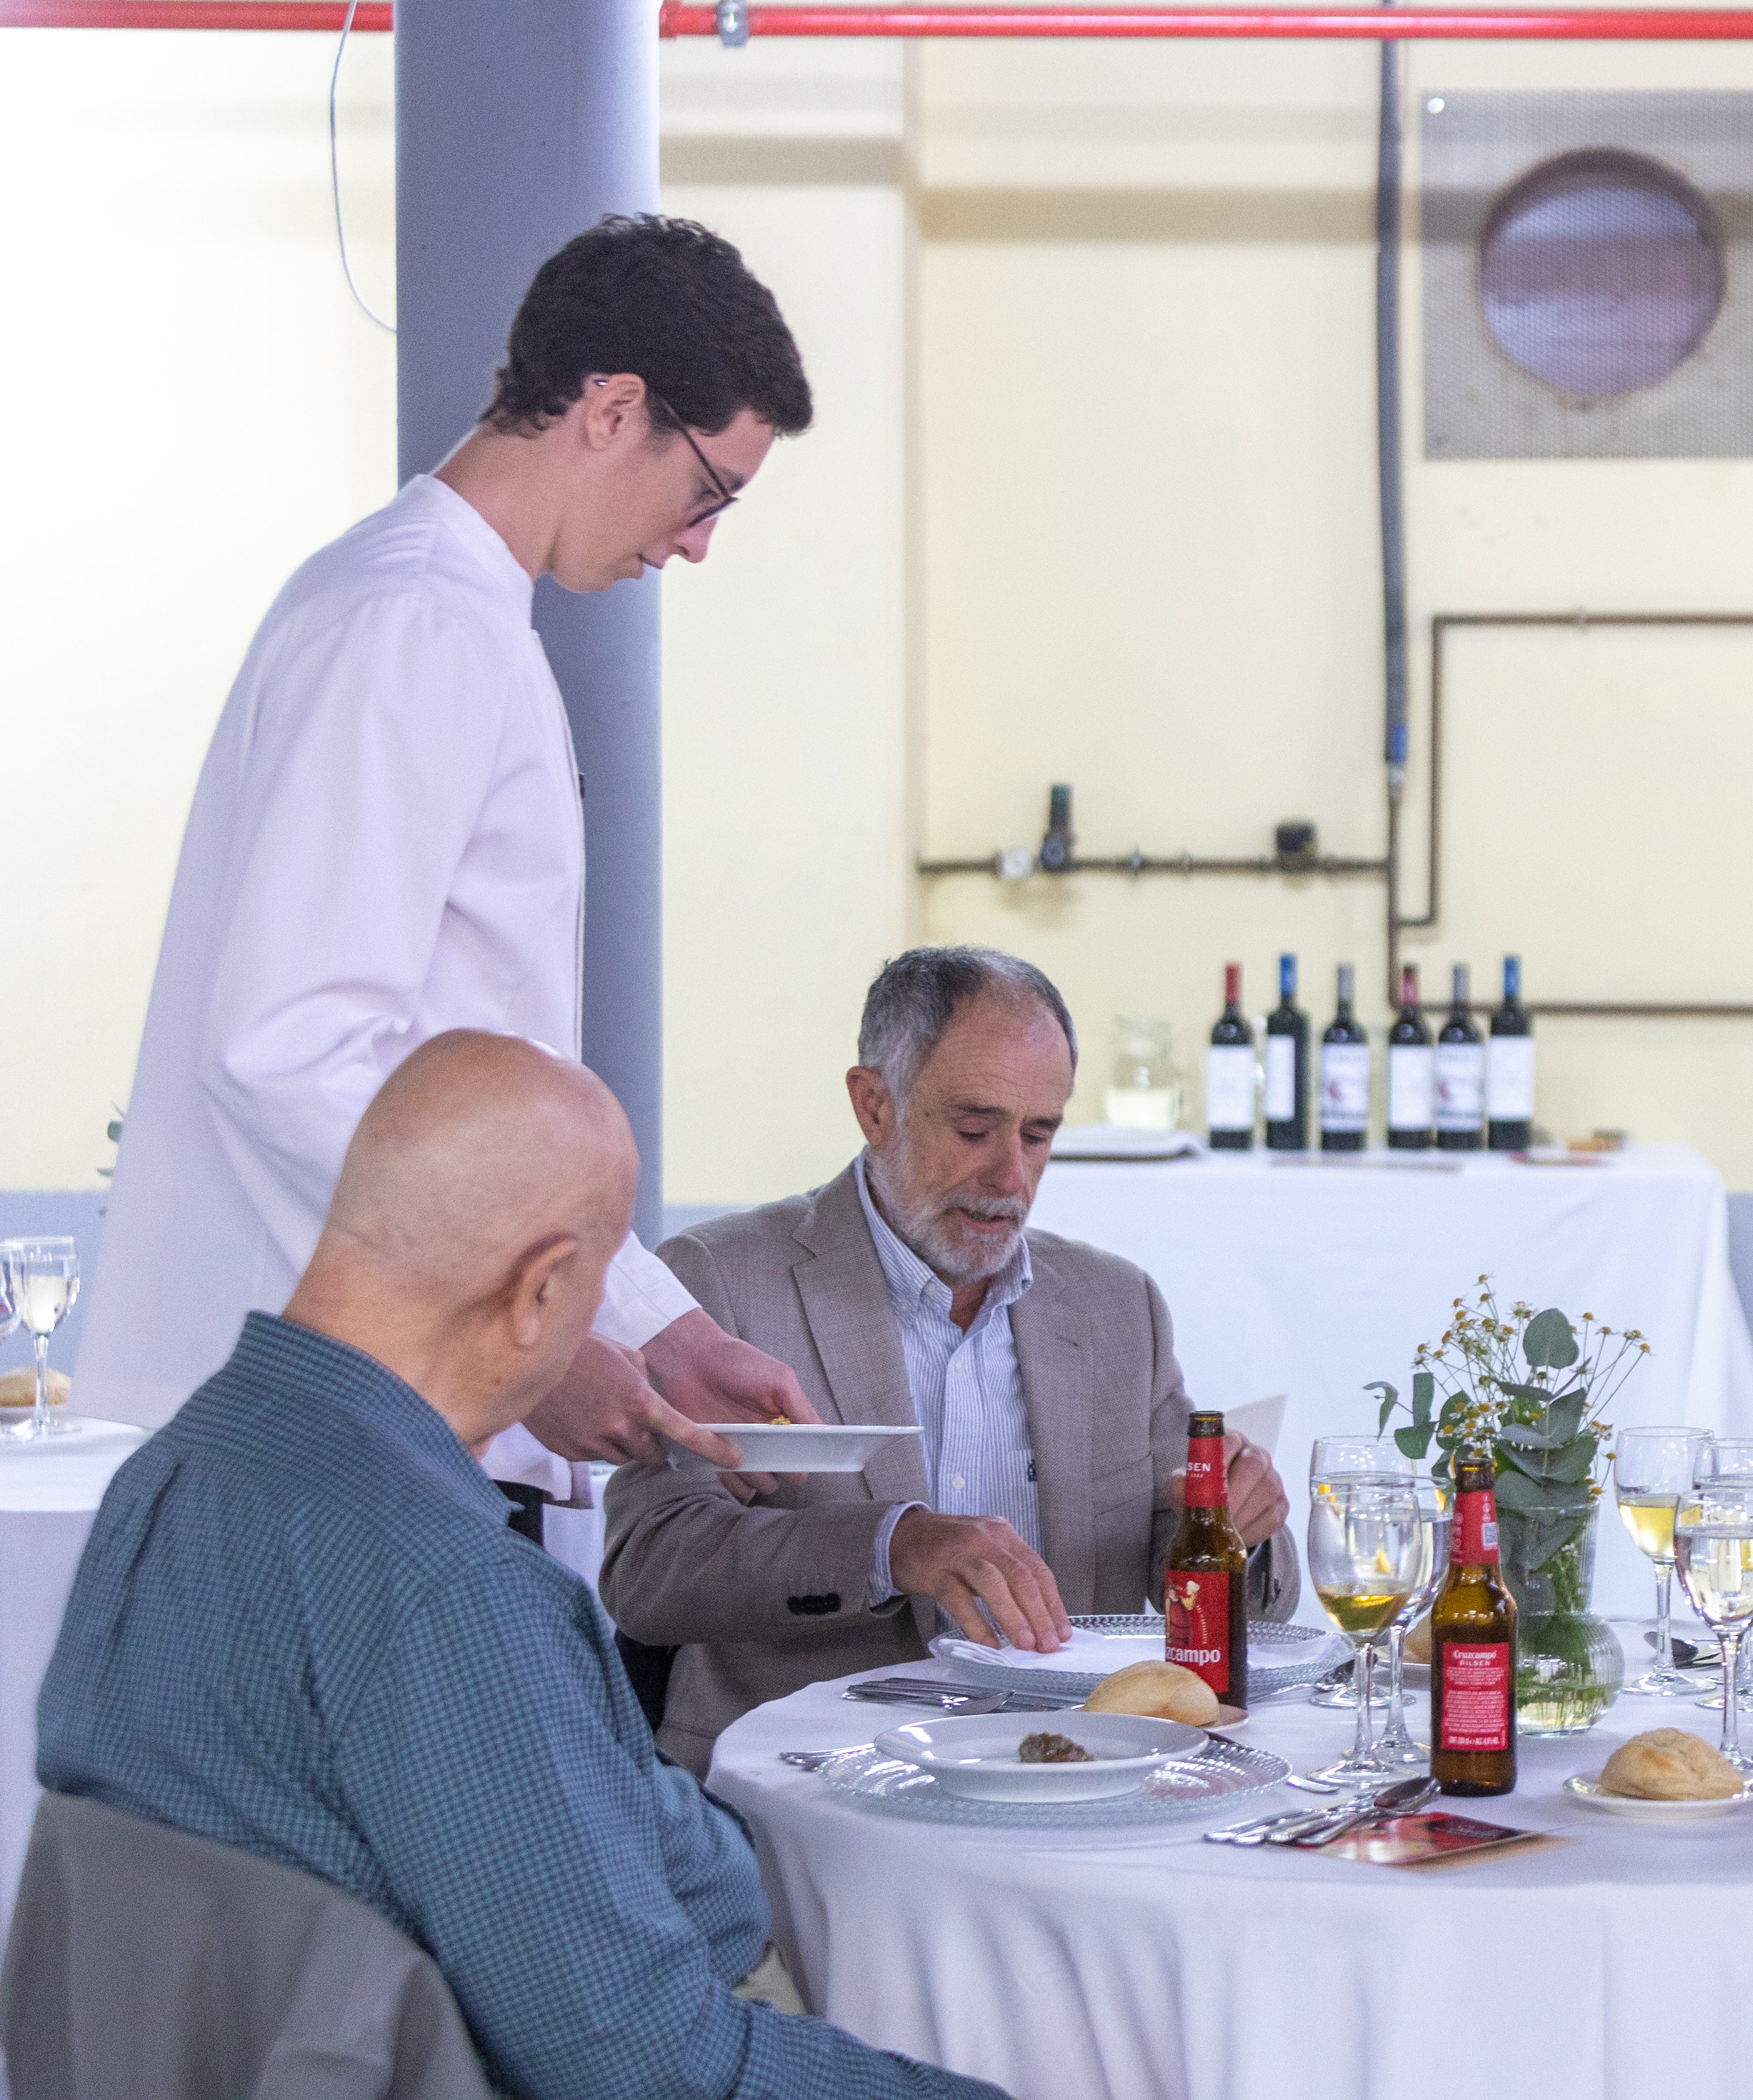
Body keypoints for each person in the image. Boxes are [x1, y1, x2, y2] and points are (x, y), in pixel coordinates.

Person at [36, 1032, 1004, 2100]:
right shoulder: (446, 1590)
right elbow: (650, 2070)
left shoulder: (177, 1469)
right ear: (541, 1288)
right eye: (595, 1288)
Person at [74, 215, 823, 1527]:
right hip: (344, 1436)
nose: (698, 542)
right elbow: (289, 1049)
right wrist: (521, 1345)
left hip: (383, 1420)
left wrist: (652, 1326)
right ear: (612, 409)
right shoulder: (414, 621)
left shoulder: (447, 615)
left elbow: (470, 1097)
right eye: (708, 491)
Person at [602, 946, 1298, 1770]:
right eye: (973, 1128)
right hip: (802, 1793)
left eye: (1039, 1135)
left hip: (1070, 1780)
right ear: (873, 1106)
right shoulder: (720, 1282)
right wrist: (892, 1547)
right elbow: (647, 1574)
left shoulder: (1117, 1307)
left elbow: (1224, 1587)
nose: (1010, 1175)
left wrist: (1232, 1530)